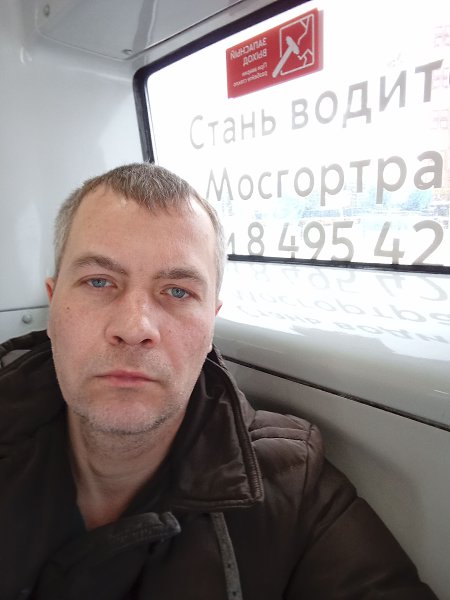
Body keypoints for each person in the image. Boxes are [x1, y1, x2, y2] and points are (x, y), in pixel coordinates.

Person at [0, 163, 437, 600]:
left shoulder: (290, 488)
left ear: (211, 322)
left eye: (177, 291)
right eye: (99, 281)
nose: (135, 328)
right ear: (53, 307)